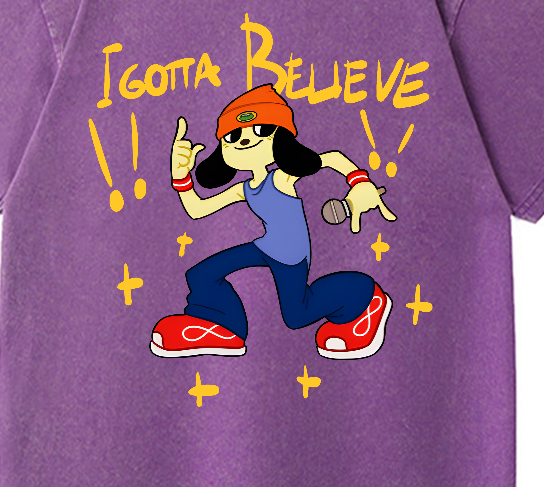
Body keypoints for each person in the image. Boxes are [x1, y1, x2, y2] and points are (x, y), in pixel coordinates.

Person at [150, 83, 396, 360]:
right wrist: (181, 176)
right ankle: (221, 326)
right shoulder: (244, 188)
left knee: (297, 315)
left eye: (261, 130)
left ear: (282, 138)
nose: (244, 141)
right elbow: (197, 209)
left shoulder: (281, 177)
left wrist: (360, 182)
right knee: (201, 275)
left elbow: (332, 158)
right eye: (232, 136)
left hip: (290, 255)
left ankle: (364, 297)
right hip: (266, 246)